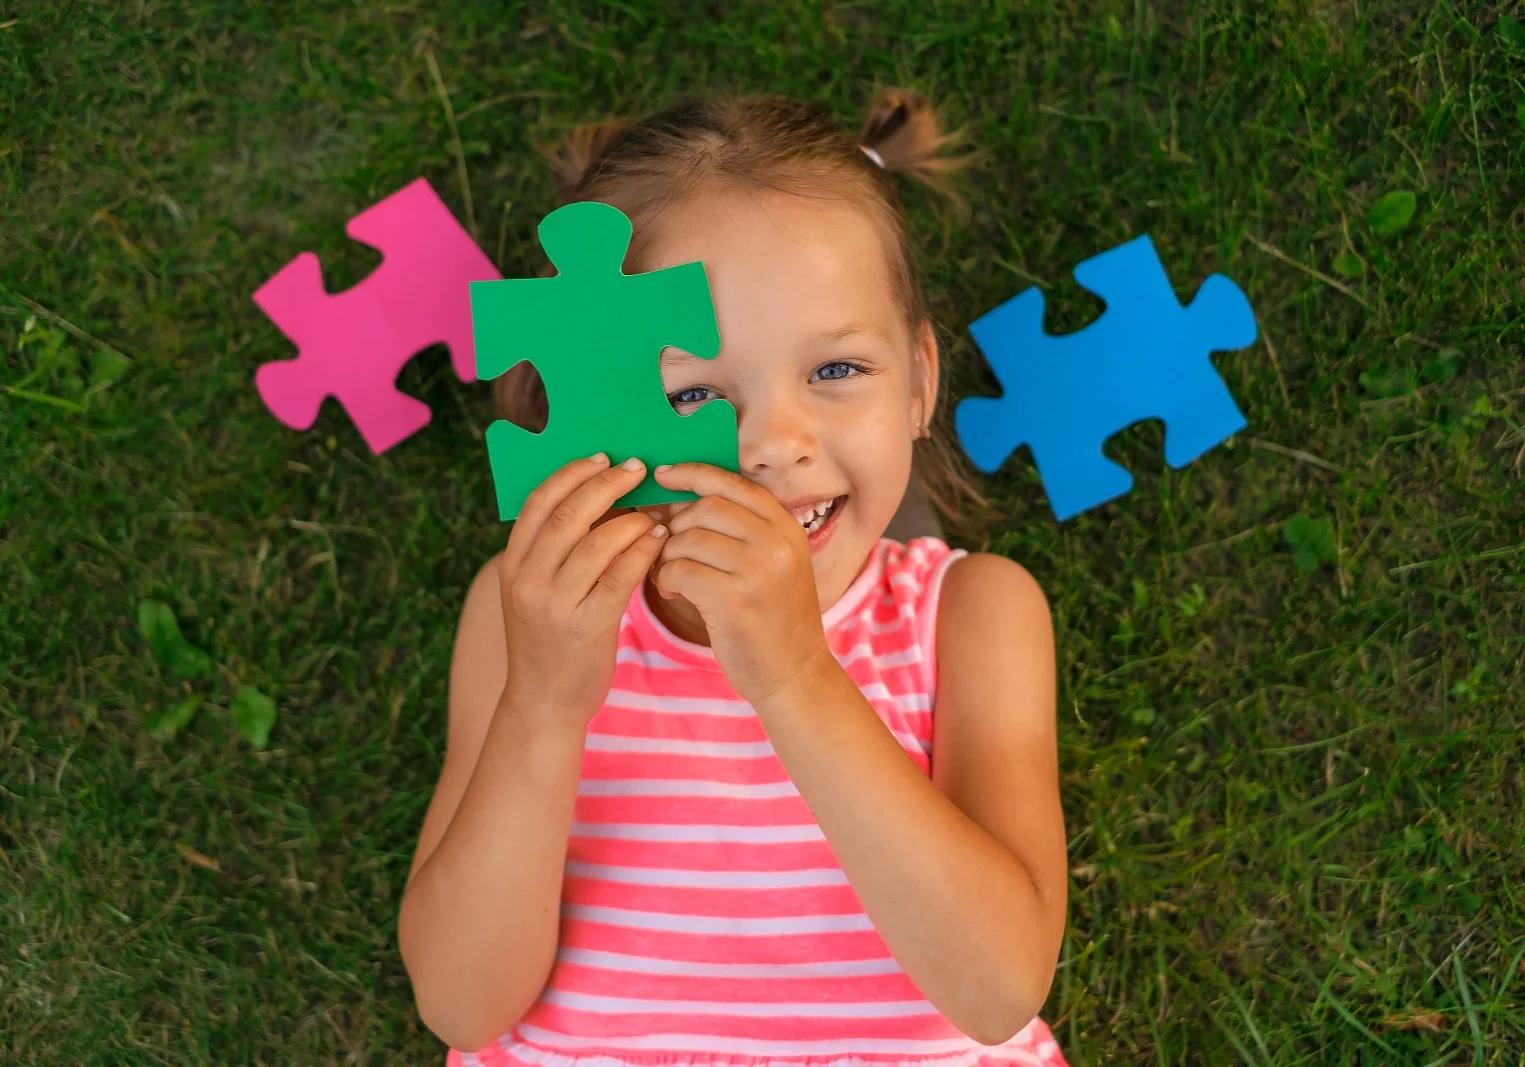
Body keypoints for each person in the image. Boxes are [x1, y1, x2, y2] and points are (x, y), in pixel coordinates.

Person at [398, 89, 1070, 1067]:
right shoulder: (534, 614)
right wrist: (542, 704)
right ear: (599, 407)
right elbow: (462, 1002)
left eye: (836, 370)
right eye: (697, 393)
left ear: (920, 381)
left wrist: (794, 672)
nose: (773, 445)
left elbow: (997, 987)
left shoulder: (969, 613)